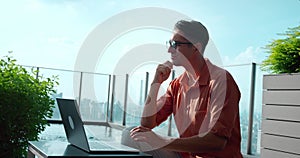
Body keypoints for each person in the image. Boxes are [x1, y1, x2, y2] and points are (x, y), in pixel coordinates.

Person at [126, 19, 242, 158]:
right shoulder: (177, 85)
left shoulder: (221, 81)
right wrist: (156, 83)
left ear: (196, 47)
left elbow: (217, 142)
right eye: (170, 43)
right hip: (187, 156)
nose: (169, 49)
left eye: (175, 44)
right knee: (131, 133)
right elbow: (147, 123)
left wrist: (162, 141)